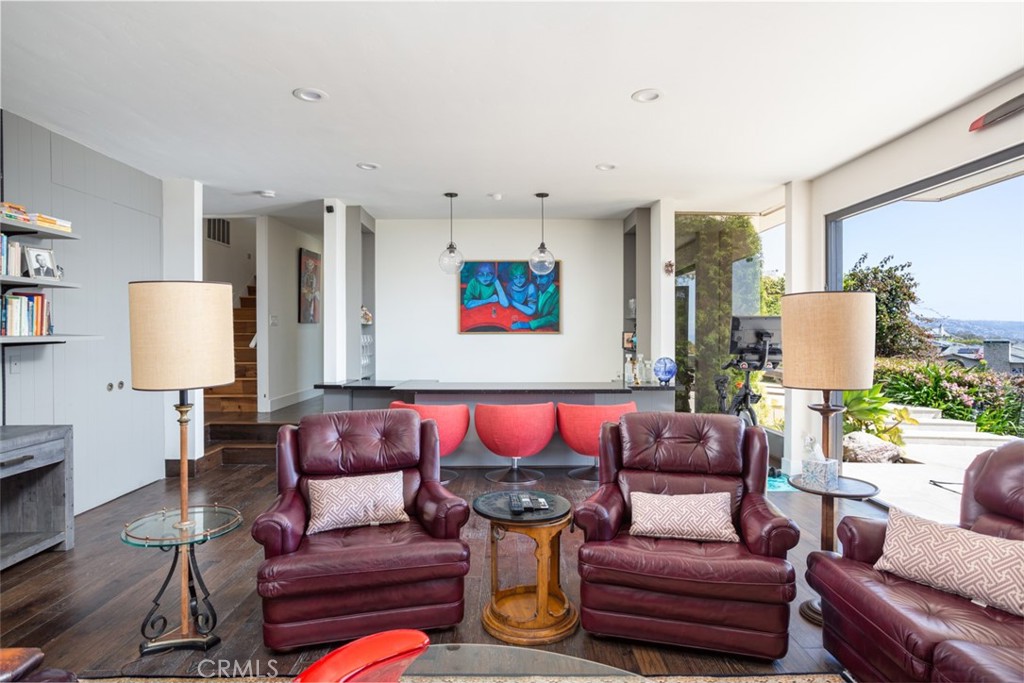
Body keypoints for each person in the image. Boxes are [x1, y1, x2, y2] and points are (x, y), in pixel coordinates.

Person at [300, 256, 319, 322]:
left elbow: (314, 285)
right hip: (306, 292)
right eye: (309, 266)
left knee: (313, 302)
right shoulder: (304, 275)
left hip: (311, 292)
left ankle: (311, 316)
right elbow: (303, 284)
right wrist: (308, 289)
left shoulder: (313, 276)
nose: (310, 268)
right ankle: (307, 316)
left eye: (311, 266)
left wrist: (313, 290)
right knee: (307, 303)